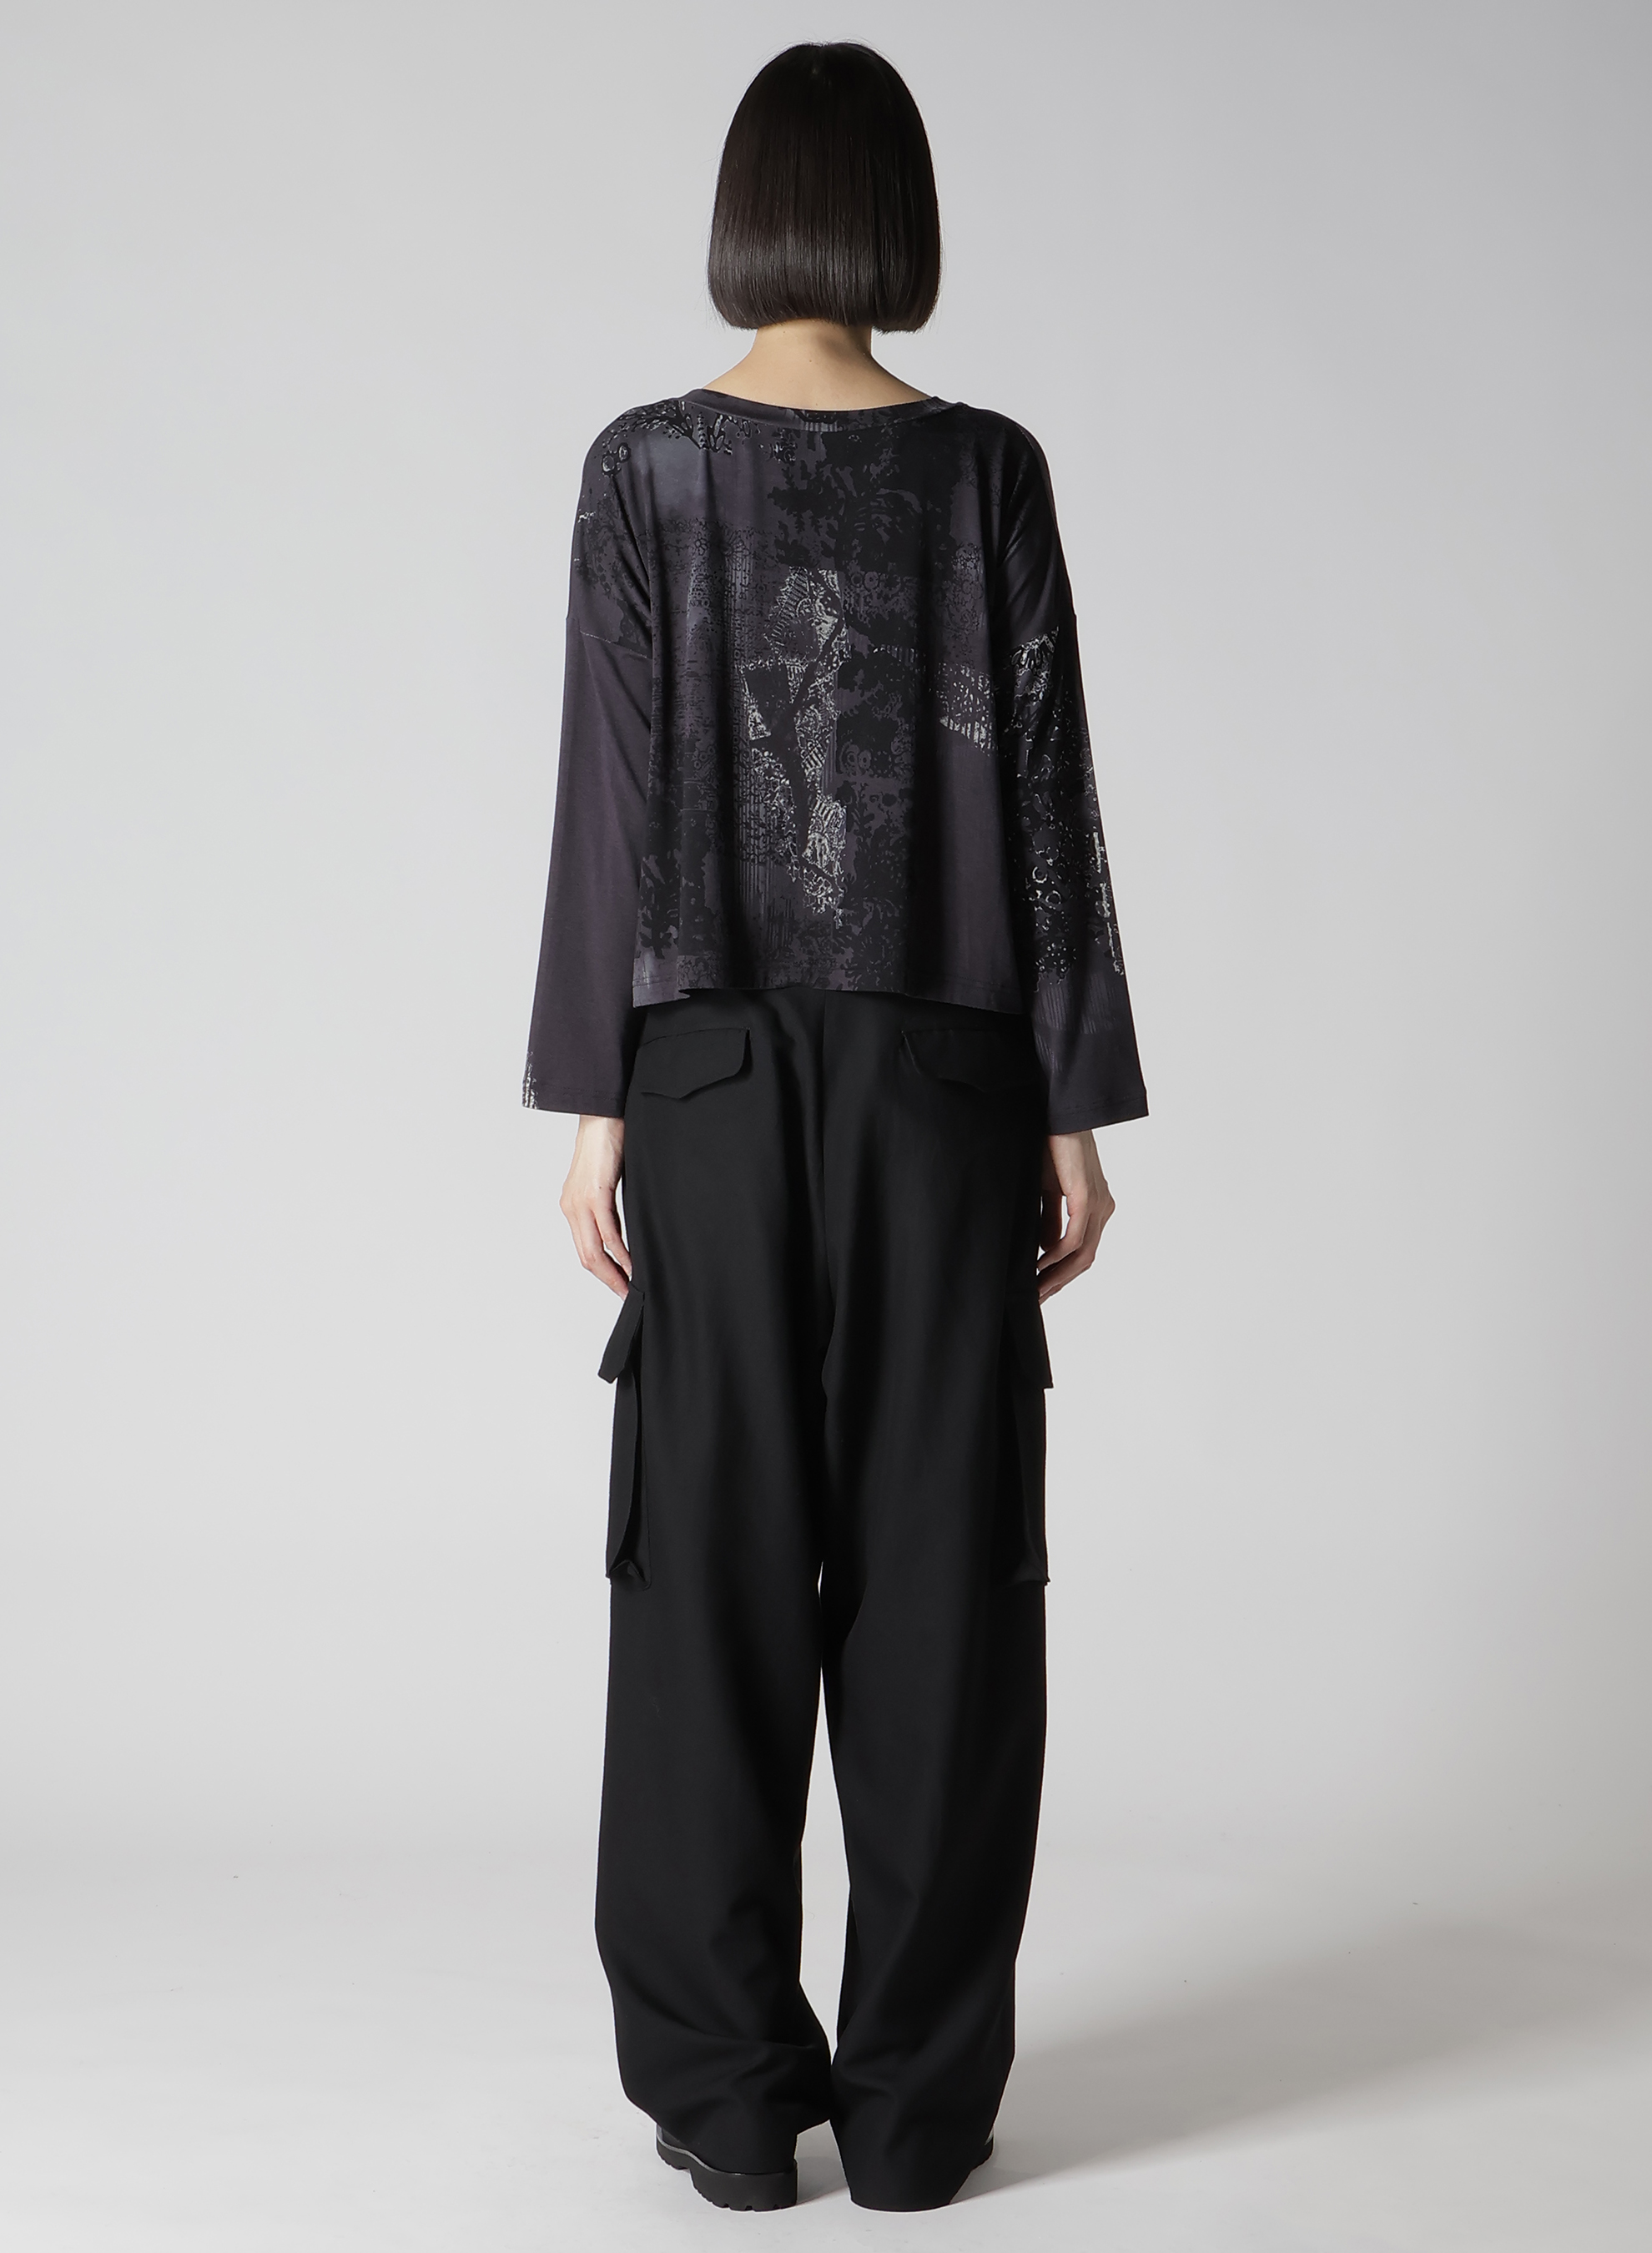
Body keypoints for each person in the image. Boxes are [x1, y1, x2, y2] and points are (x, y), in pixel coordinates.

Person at [523, 41, 1146, 2215]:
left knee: (701, 1576)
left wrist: (594, 1109)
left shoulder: (644, 469)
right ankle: (916, 2110)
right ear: (898, 220)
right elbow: (1045, 802)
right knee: (943, 1582)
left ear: (745, 213)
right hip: (946, 1079)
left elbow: (610, 799)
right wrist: (1070, 1106)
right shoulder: (984, 469)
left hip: (701, 1075)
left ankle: (721, 2101)